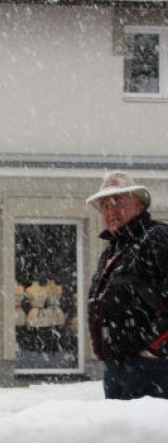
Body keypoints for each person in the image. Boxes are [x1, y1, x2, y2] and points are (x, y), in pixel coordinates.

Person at [86, 170, 168, 399]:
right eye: (104, 206)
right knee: (118, 424)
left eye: (117, 202)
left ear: (138, 205)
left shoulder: (157, 238)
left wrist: (153, 350)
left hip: (154, 368)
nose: (110, 211)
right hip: (117, 366)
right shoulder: (113, 251)